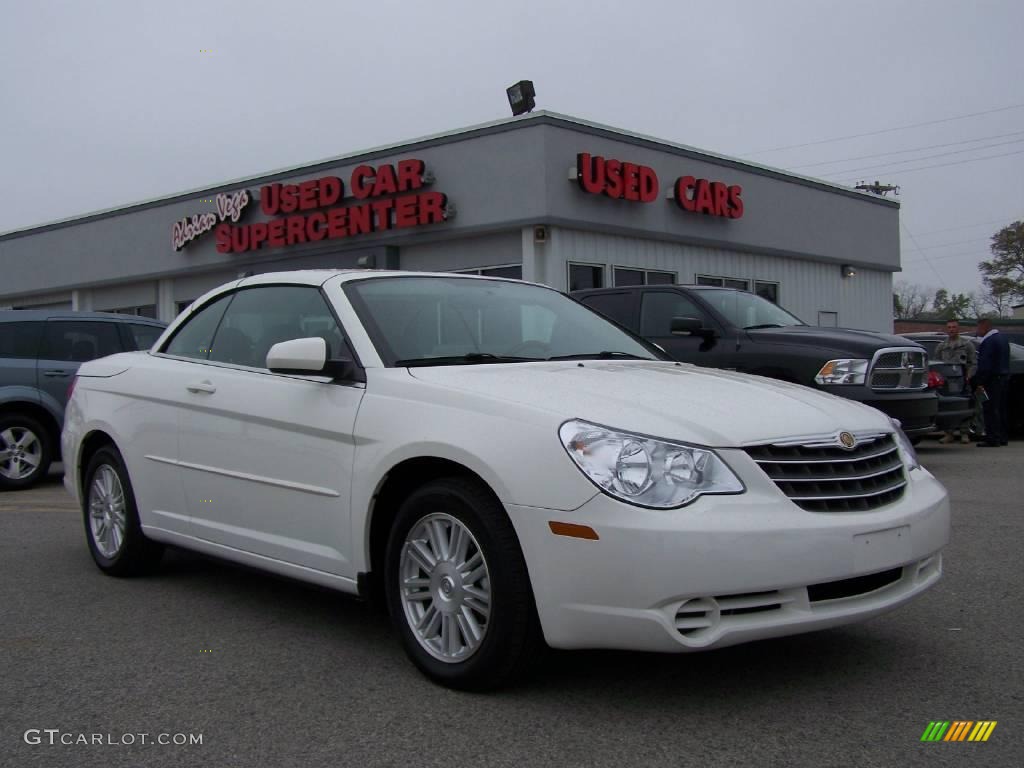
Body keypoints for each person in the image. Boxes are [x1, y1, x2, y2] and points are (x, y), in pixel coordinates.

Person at [934, 319, 977, 444]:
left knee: (964, 405)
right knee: (949, 406)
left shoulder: (966, 344)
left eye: (954, 327)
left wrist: (969, 376)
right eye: (949, 327)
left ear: (958, 329)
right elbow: (936, 363)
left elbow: (973, 363)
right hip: (946, 381)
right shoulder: (942, 346)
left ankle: (964, 433)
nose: (951, 329)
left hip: (962, 379)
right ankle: (949, 433)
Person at [972, 317, 1011, 447]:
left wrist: (979, 381)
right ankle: (1002, 436)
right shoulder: (1003, 339)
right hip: (1004, 377)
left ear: (984, 326)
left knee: (990, 409)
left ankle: (992, 437)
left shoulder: (988, 341)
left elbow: (985, 365)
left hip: (992, 380)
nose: (977, 330)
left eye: (978, 327)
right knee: (1001, 409)